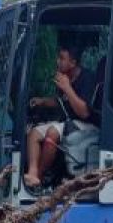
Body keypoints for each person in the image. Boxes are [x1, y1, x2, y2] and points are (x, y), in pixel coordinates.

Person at [23, 43, 99, 189]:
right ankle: (32, 173)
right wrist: (43, 101)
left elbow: (84, 112)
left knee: (52, 132)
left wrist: (67, 87)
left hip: (87, 124)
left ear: (73, 62)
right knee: (34, 133)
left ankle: (39, 177)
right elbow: (61, 102)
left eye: (62, 58)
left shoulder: (87, 78)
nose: (58, 62)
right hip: (68, 122)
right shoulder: (65, 77)